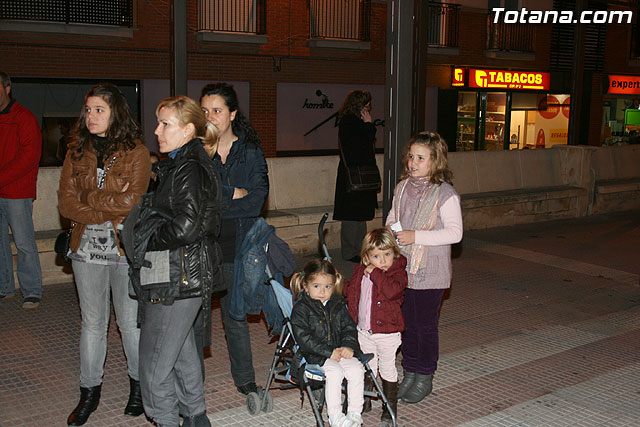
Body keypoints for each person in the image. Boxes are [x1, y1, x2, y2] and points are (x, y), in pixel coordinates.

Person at [57, 83, 151, 425]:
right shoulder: (76, 152)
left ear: (116, 113)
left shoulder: (136, 152)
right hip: (85, 248)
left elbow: (134, 201)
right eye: (88, 109)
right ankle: (89, 392)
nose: (91, 116)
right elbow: (67, 205)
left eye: (99, 109)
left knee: (129, 324)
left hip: (124, 249)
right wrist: (107, 207)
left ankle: (139, 388)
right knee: (93, 323)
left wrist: (91, 201)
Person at [138, 95, 221, 427]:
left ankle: (166, 419)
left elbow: (186, 226)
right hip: (183, 275)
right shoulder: (183, 164)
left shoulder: (188, 168)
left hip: (178, 276)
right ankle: (196, 418)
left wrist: (146, 238)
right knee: (183, 352)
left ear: (187, 130)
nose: (157, 130)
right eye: (158, 122)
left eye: (165, 124)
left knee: (155, 365)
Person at [200, 82, 269, 394]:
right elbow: (195, 202)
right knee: (194, 321)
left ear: (232, 114)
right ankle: (191, 381)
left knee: (235, 318)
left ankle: (245, 381)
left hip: (237, 247)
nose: (210, 116)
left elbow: (256, 202)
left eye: (217, 110)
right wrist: (232, 196)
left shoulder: (251, 152)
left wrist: (217, 205)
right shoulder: (196, 153)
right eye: (204, 111)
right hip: (201, 247)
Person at [385, 131, 463, 404]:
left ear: (435, 161)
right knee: (405, 324)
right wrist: (392, 235)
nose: (413, 162)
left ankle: (424, 375)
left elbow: (455, 233)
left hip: (431, 271)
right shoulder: (403, 187)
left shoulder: (445, 193)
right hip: (403, 268)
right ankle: (410, 372)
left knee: (424, 325)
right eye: (411, 156)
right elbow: (394, 217)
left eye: (421, 158)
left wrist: (416, 236)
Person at [290, 259, 364, 427]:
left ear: (333, 285)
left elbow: (349, 327)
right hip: (315, 355)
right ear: (305, 285)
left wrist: (348, 346)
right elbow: (304, 338)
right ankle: (335, 416)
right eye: (316, 286)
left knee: (356, 369)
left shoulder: (337, 303)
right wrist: (328, 352)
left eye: (327, 287)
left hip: (339, 350)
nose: (322, 291)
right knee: (336, 372)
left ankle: (354, 414)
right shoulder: (302, 309)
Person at [344, 228, 407, 424]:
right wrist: (335, 285)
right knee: (367, 368)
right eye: (376, 256)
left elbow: (392, 291)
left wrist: (376, 274)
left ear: (394, 253)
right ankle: (364, 400)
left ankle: (389, 410)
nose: (382, 261)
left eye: (387, 254)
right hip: (364, 331)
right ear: (366, 256)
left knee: (387, 368)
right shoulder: (361, 271)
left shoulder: (397, 273)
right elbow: (352, 292)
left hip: (388, 333)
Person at [0, 71, 43, 308]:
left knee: (24, 243)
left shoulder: (24, 118)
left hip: (17, 193)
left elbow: (28, 158)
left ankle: (32, 291)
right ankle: (4, 287)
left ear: (7, 88)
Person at [333, 90, 378, 263]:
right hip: (353, 176)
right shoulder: (349, 122)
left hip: (359, 175)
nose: (368, 110)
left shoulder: (352, 121)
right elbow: (360, 147)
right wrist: (368, 125)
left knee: (360, 215)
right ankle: (349, 251)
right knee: (352, 216)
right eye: (366, 107)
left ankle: (360, 249)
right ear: (358, 106)